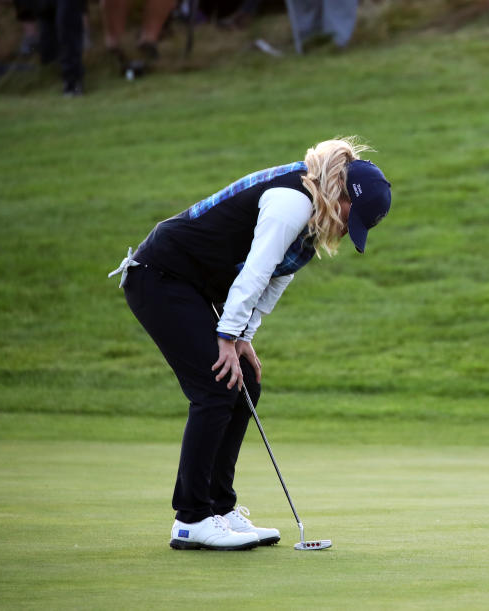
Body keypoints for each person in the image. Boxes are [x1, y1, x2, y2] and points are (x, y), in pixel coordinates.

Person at [108, 138, 391, 550]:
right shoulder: (292, 202)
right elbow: (255, 272)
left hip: (186, 284)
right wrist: (226, 336)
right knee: (214, 385)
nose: (348, 230)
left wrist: (242, 338)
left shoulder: (312, 212)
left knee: (244, 385)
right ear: (343, 195)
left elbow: (276, 280)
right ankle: (191, 519)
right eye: (354, 217)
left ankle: (219, 509)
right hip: (158, 276)